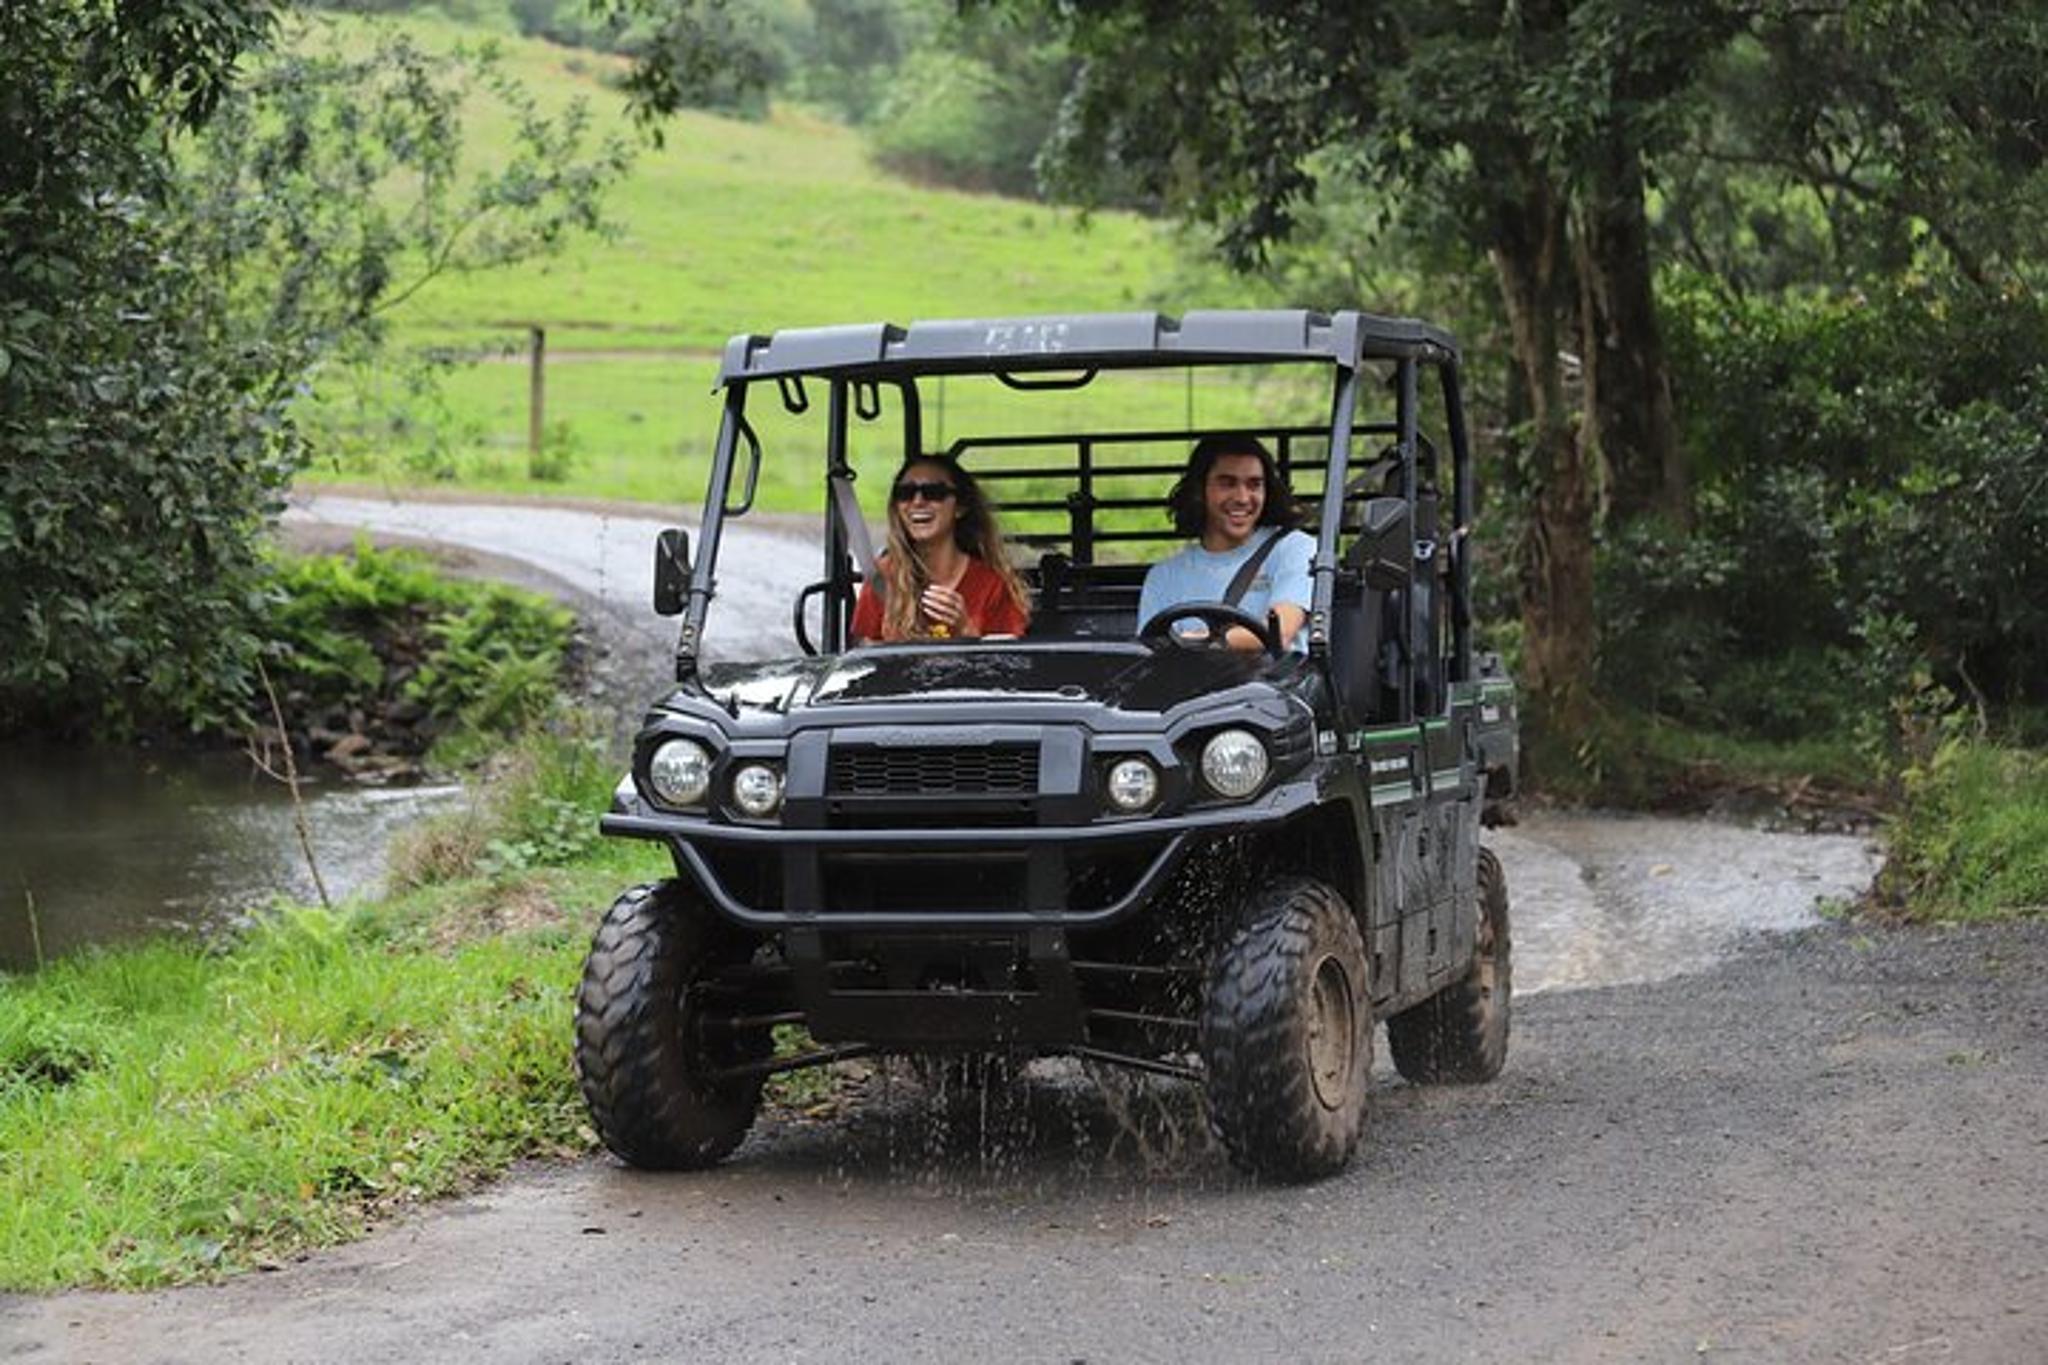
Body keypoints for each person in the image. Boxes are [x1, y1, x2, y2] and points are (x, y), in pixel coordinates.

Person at [1137, 434, 1314, 652]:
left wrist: (1196, 641)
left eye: (1254, 485)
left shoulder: (1294, 549)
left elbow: (1280, 632)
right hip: (1190, 684)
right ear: (1199, 490)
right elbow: (1149, 655)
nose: (1242, 497)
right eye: (1227, 483)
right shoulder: (1163, 576)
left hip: (1274, 685)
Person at [851, 454, 1032, 642]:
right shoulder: (883, 576)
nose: (918, 502)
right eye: (905, 493)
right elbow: (863, 656)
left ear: (960, 507)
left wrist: (966, 632)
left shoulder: (992, 583)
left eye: (933, 492)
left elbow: (1008, 664)